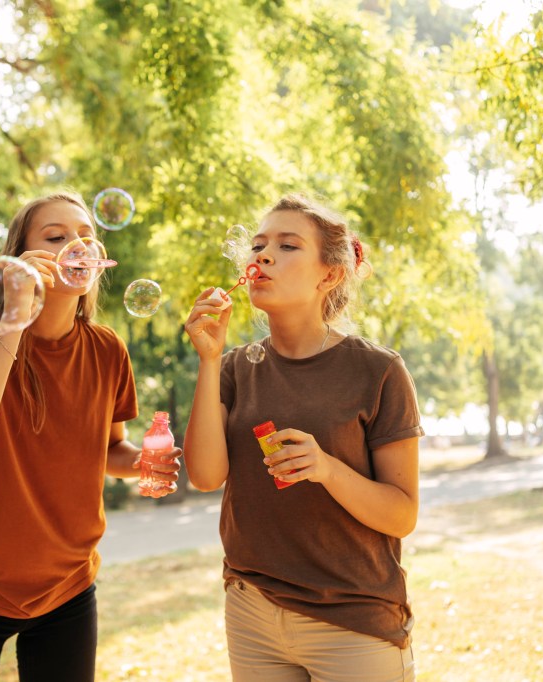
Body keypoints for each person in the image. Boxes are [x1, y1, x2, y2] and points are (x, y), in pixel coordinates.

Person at [0, 191, 181, 682]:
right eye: (56, 237)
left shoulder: (107, 349)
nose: (77, 245)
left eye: (86, 237)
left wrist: (144, 460)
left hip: (69, 588)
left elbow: (108, 450)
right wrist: (13, 320)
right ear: (19, 261)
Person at [183, 193, 422, 681]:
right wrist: (208, 359)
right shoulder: (233, 369)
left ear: (329, 275)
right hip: (253, 611)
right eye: (258, 245)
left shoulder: (378, 371)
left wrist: (327, 469)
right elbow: (205, 477)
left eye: (287, 245)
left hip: (354, 620)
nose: (264, 256)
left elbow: (402, 515)